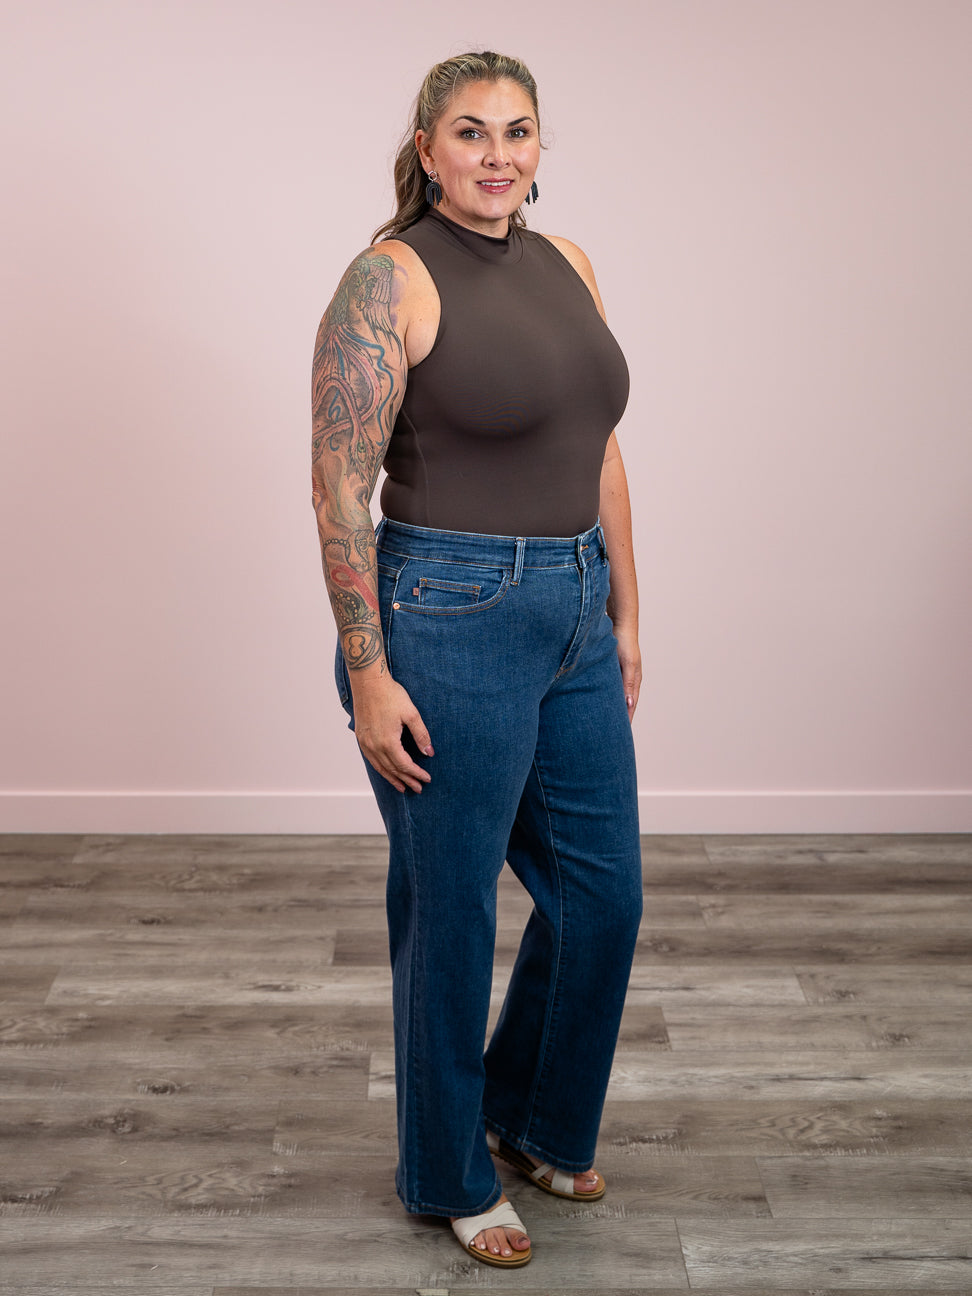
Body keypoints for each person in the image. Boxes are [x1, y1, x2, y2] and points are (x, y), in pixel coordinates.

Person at [311, 50, 643, 1269]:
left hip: (573, 606)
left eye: (517, 131)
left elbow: (599, 447)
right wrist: (368, 672)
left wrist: (626, 611)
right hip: (446, 613)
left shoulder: (571, 265)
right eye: (470, 131)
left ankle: (534, 1120)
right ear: (428, 146)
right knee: (451, 912)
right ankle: (449, 1172)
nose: (496, 154)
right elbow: (338, 489)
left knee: (602, 898)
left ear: (540, 147)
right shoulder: (387, 279)